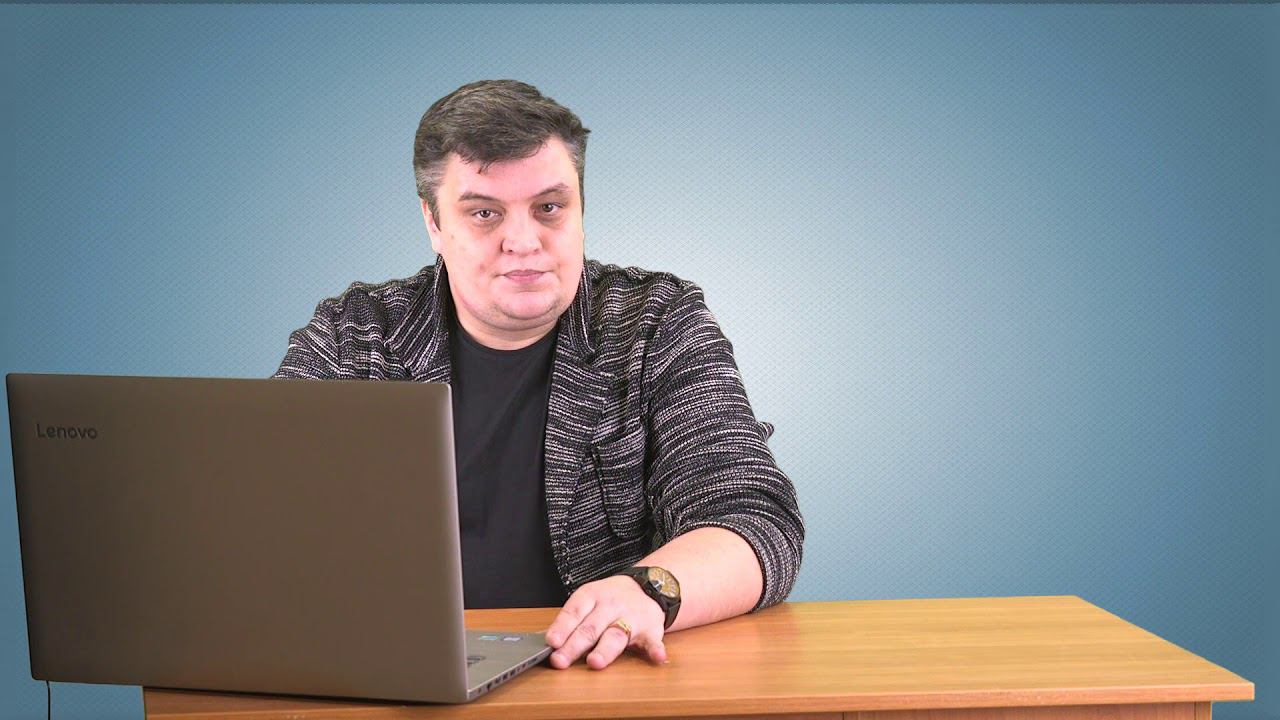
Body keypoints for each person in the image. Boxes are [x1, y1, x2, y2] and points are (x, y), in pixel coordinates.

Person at [273, 79, 803, 671]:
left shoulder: (656, 321)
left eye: (549, 208)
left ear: (580, 210)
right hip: (392, 674)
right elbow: (259, 516)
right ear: (433, 224)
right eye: (484, 213)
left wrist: (646, 591)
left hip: (599, 676)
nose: (523, 242)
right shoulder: (354, 334)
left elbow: (754, 520)